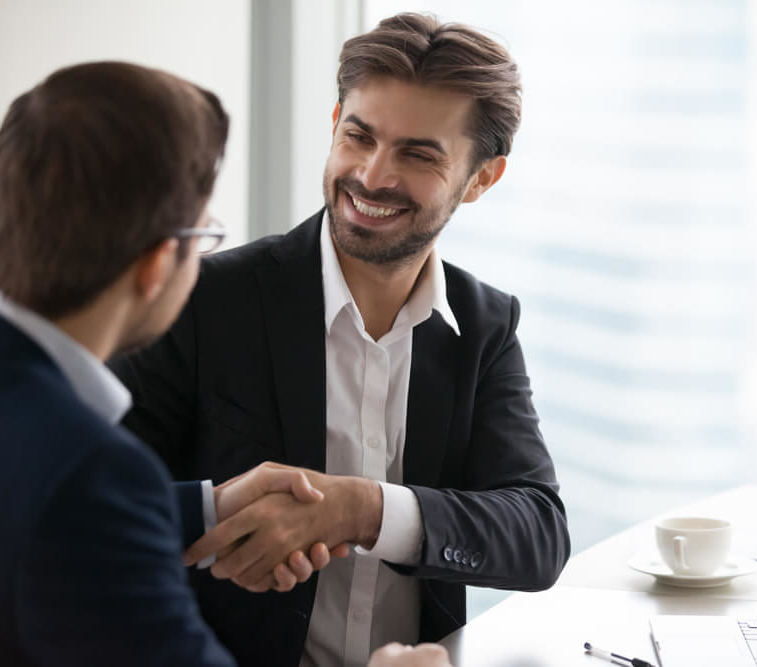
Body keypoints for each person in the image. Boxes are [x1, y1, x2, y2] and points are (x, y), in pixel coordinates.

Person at [0, 61, 449, 667]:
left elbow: (0, 502)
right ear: (155, 266)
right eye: (203, 236)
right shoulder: (89, 471)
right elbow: (71, 507)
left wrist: (205, 508)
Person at [112, 12, 571, 667]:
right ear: (334, 125)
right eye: (359, 136)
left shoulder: (485, 325)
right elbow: (94, 510)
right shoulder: (203, 299)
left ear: (481, 179)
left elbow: (536, 533)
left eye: (418, 153)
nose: (373, 175)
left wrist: (362, 509)